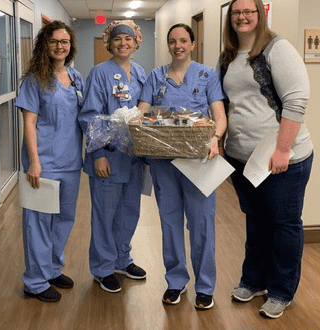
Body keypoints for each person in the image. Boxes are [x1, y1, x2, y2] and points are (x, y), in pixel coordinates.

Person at [217, 0, 313, 319]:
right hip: (243, 158)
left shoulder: (277, 49)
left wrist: (283, 149)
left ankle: (281, 290)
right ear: (230, 19)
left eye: (249, 12)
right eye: (236, 13)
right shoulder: (229, 55)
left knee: (284, 224)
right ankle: (253, 280)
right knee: (256, 221)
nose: (242, 17)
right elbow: (227, 105)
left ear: (260, 14)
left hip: (282, 158)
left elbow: (297, 100)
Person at [138, 23, 227, 310]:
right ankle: (175, 281)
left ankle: (205, 286)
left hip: (199, 160)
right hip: (163, 161)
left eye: (184, 40)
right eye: (173, 41)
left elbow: (220, 116)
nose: (178, 45)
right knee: (170, 222)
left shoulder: (207, 75)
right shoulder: (155, 76)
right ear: (168, 44)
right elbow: (142, 111)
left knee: (201, 223)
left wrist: (215, 137)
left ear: (192, 43)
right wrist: (133, 121)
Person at [15, 20, 84, 303]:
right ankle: (34, 280)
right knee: (38, 222)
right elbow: (29, 123)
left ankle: (53, 268)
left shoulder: (76, 77)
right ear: (45, 44)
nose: (60, 46)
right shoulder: (34, 79)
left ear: (71, 46)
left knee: (64, 219)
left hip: (70, 161)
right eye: (54, 41)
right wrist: (34, 161)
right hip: (43, 162)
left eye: (64, 42)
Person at [78, 20, 148, 293]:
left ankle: (122, 259)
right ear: (109, 42)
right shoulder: (100, 73)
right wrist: (97, 153)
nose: (123, 44)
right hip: (108, 156)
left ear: (136, 42)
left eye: (128, 39)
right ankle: (103, 267)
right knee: (105, 214)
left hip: (134, 157)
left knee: (129, 211)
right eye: (118, 39)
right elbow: (90, 115)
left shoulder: (141, 72)